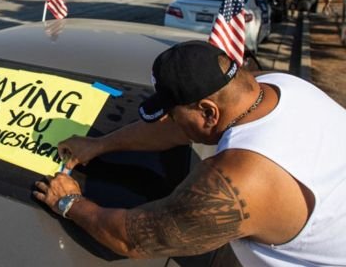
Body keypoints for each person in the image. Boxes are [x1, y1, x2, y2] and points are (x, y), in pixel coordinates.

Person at [34, 40, 346, 266]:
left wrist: (69, 202)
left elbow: (132, 238)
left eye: (172, 111)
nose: (167, 119)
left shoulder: (240, 180)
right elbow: (179, 129)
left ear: (209, 112)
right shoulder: (276, 85)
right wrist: (100, 144)